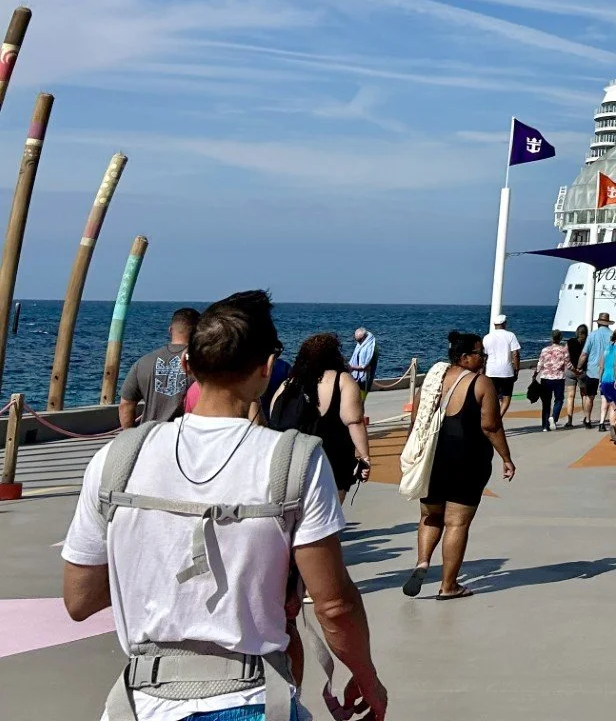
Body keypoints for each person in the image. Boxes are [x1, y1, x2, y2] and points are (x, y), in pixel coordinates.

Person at [63, 289, 387, 721]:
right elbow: (333, 605)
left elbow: (79, 599)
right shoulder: (296, 460)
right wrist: (366, 676)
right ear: (267, 368)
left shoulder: (118, 458)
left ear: (187, 364)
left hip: (141, 703)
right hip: (250, 697)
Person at [403, 331, 515, 599]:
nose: (484, 358)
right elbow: (490, 425)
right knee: (456, 524)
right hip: (468, 460)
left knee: (430, 516)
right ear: (465, 357)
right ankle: (449, 586)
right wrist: (506, 458)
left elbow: (417, 418)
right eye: (480, 354)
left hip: (433, 459)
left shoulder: (433, 380)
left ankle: (422, 561)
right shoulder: (481, 383)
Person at [268, 332, 372, 501]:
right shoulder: (342, 380)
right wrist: (364, 456)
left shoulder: (287, 384)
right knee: (328, 517)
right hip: (330, 461)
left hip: (288, 462)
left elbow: (274, 419)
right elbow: (354, 421)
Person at [116, 306, 199, 429]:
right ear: (198, 332)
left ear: (170, 330)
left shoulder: (143, 362)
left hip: (149, 435)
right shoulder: (203, 364)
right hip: (185, 437)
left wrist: (130, 435)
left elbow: (126, 405)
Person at [582, 313, 614, 429]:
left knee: (589, 396)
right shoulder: (612, 335)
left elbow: (585, 353)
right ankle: (603, 420)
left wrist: (580, 366)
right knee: (606, 398)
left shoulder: (592, 335)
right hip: (607, 371)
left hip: (592, 370)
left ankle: (588, 419)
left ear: (598, 323)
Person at [535, 330, 572, 432]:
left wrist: (535, 374)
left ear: (552, 338)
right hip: (558, 378)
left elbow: (540, 363)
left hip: (545, 378)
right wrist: (576, 371)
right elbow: (568, 364)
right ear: (560, 338)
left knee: (546, 402)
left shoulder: (544, 350)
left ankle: (545, 426)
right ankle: (554, 417)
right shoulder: (563, 350)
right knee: (559, 399)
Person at [481, 313, 521, 402]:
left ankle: (494, 414)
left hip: (491, 371)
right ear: (504, 323)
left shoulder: (487, 337)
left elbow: (484, 356)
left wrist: (482, 370)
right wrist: (517, 369)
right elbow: (515, 354)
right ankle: (500, 415)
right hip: (507, 371)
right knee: (506, 397)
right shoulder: (511, 335)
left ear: (494, 324)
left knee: (492, 397)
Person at [562, 324, 589, 427]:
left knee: (570, 396)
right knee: (584, 395)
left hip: (570, 372)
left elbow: (565, 357)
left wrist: (572, 368)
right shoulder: (587, 343)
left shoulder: (569, 342)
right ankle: (586, 418)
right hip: (583, 371)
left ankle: (569, 420)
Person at [347, 326, 379, 391]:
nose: (358, 342)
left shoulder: (371, 348)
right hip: (358, 378)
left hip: (365, 379)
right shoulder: (361, 344)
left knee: (361, 398)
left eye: (359, 340)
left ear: (364, 337)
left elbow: (367, 367)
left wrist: (352, 368)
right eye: (356, 340)